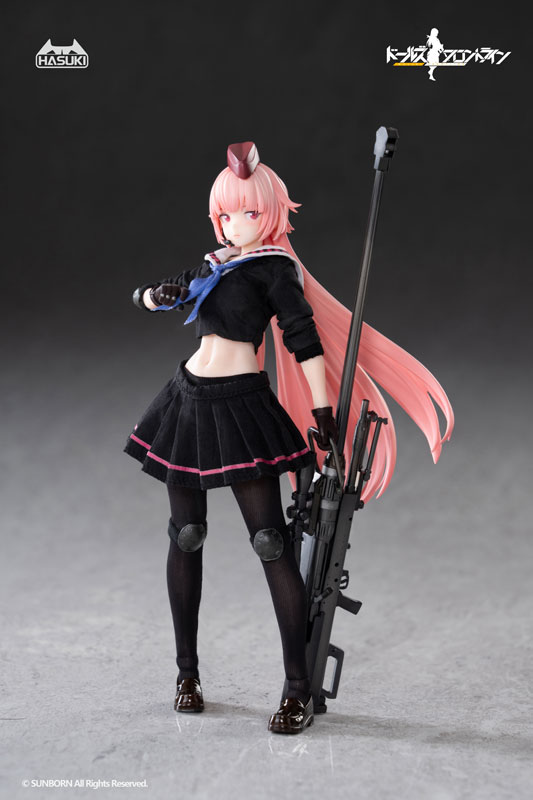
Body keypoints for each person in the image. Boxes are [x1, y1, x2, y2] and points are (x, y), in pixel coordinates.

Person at [124, 141, 454, 735]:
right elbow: (155, 292)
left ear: (271, 213)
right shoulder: (215, 263)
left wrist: (323, 411)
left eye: (248, 212)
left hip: (241, 405)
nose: (236, 223)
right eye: (226, 214)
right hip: (188, 401)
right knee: (187, 534)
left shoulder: (274, 269)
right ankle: (186, 675)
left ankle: (297, 688)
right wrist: (155, 296)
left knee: (271, 542)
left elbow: (304, 340)